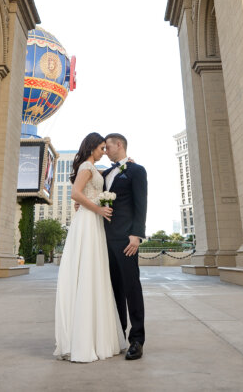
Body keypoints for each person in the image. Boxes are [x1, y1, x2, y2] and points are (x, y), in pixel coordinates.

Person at [54, 132, 127, 363]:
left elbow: (102, 177)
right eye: (102, 148)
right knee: (86, 272)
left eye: (106, 148)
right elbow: (76, 193)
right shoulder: (86, 165)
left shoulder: (94, 168)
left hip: (93, 223)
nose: (104, 151)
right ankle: (83, 340)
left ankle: (96, 336)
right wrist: (98, 209)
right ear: (93, 147)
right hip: (87, 221)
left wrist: (126, 164)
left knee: (96, 274)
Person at [103, 132, 147, 360]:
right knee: (113, 289)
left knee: (131, 287)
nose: (104, 151)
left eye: (107, 147)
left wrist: (136, 234)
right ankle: (118, 334)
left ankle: (137, 339)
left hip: (125, 240)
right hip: (103, 239)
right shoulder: (104, 174)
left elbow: (141, 203)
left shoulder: (136, 171)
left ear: (119, 145)